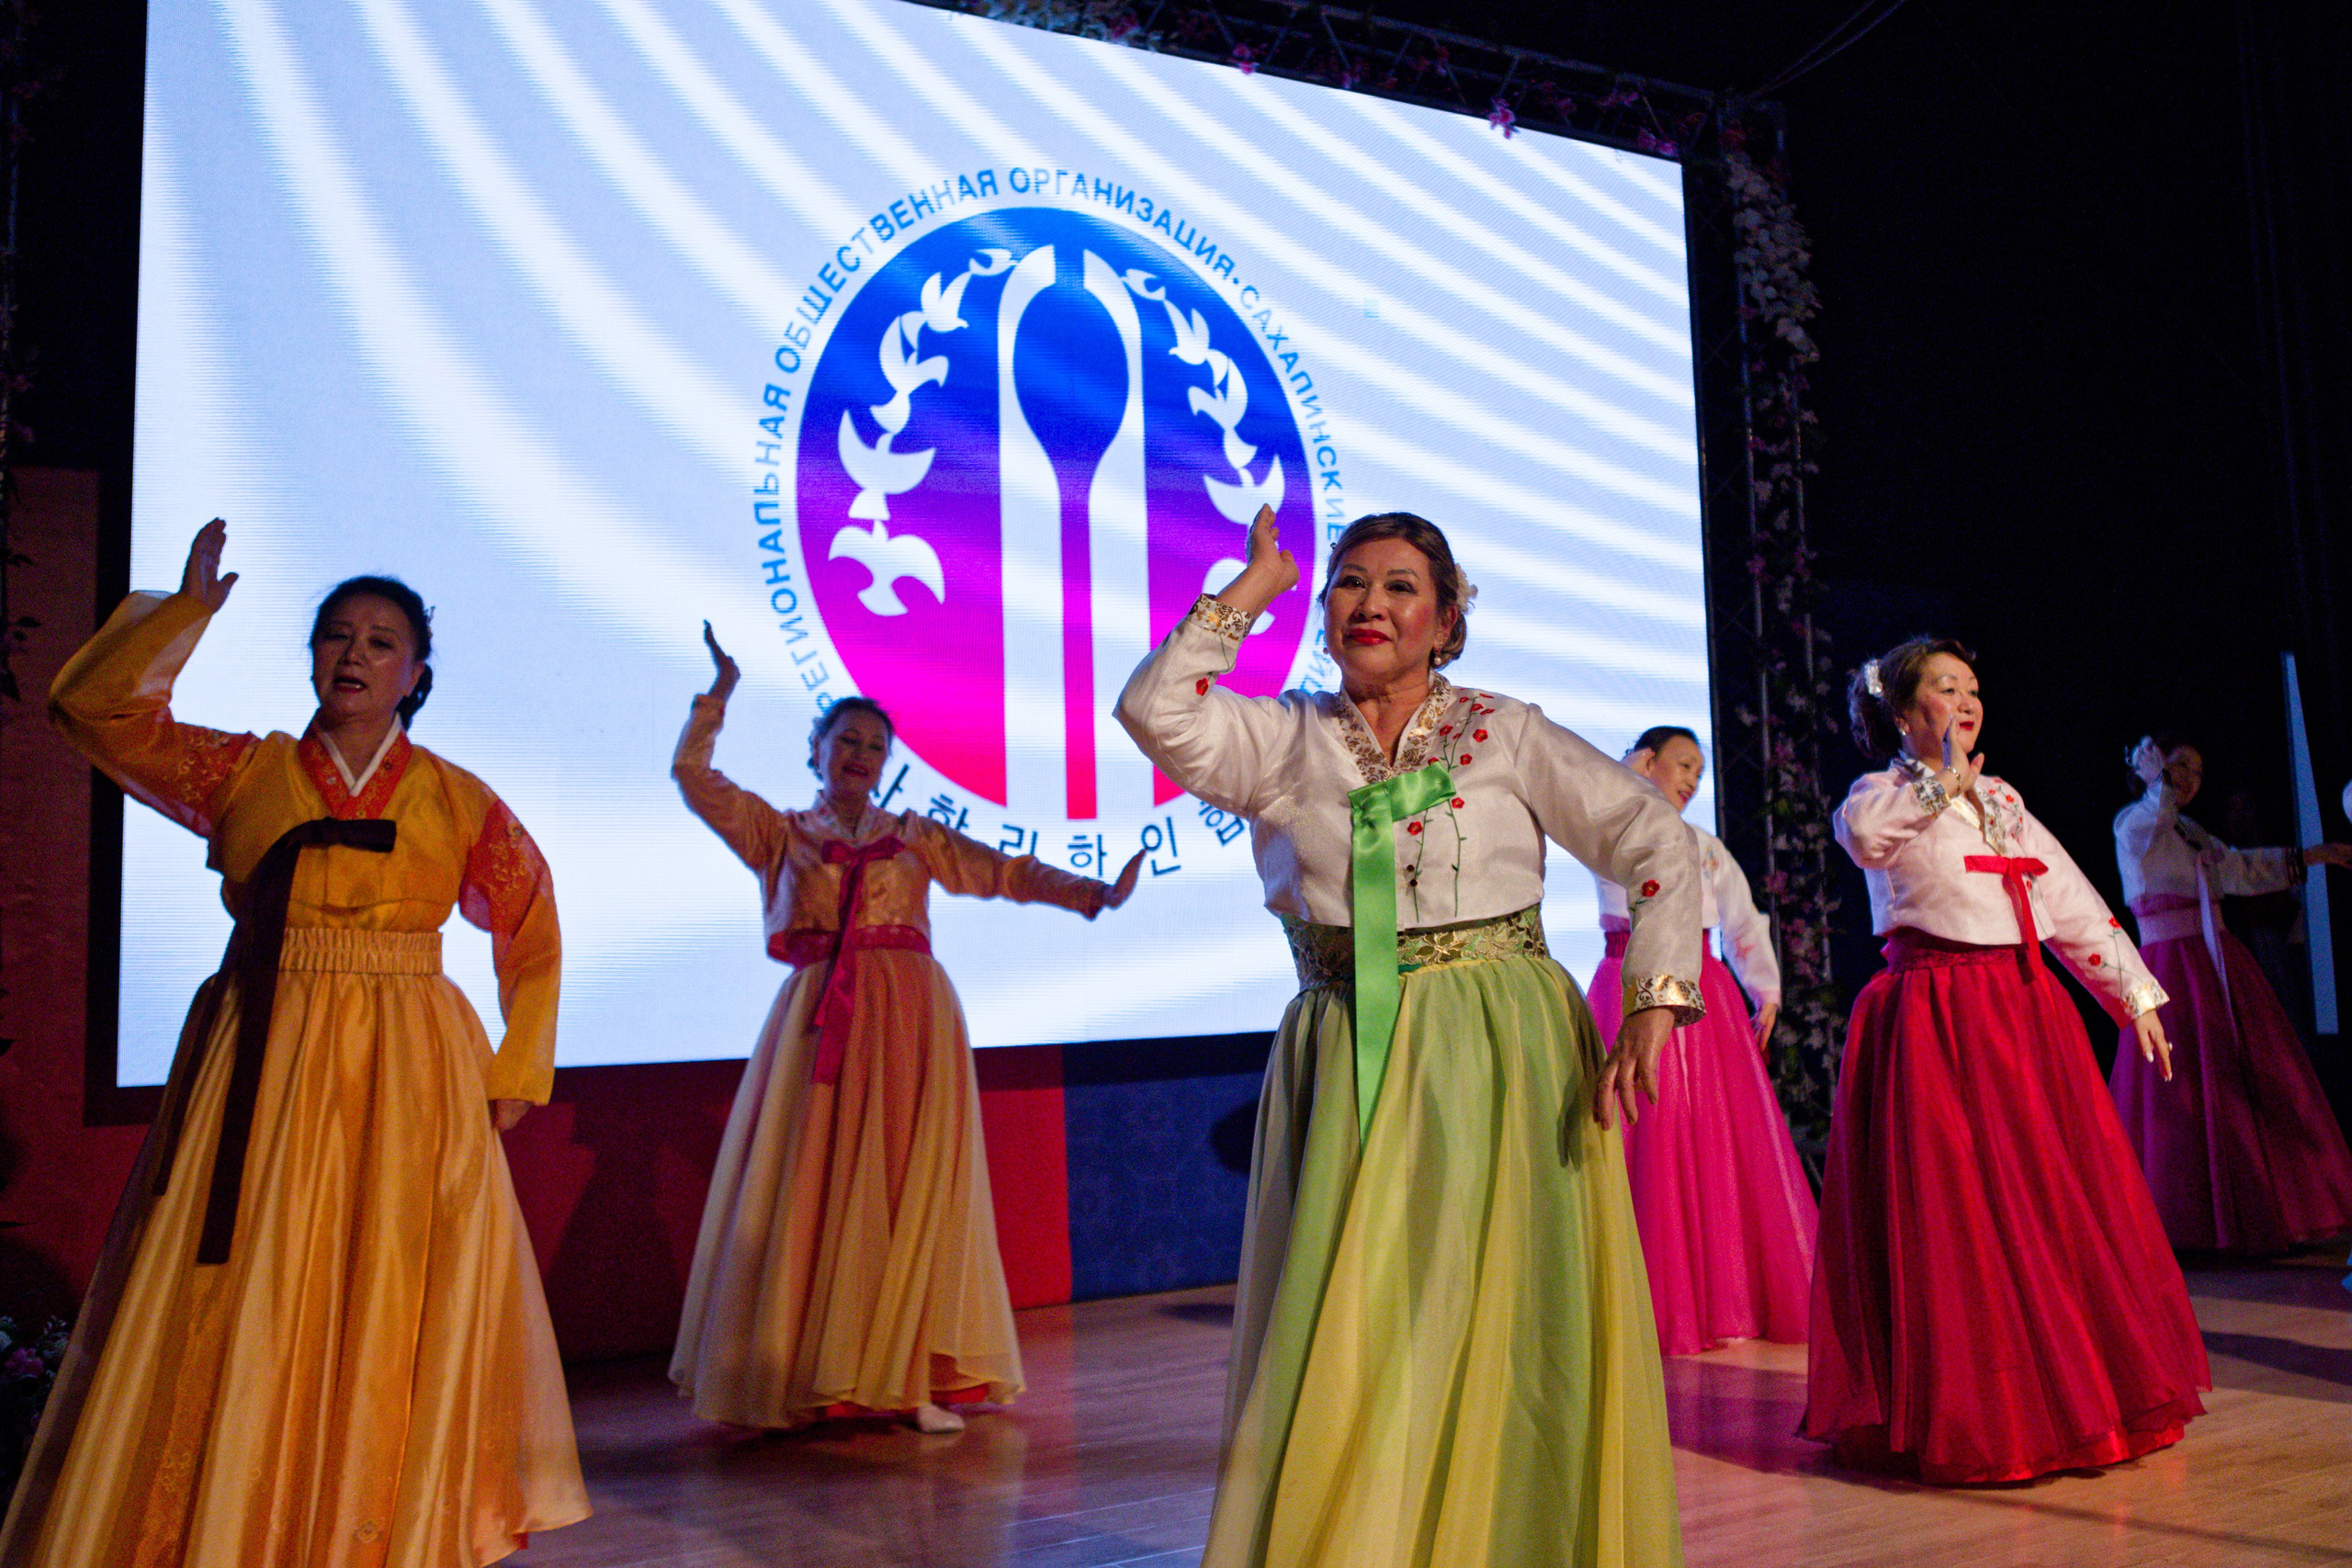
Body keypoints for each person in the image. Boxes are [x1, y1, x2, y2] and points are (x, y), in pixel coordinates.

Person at [1117, 507, 1702, 1568]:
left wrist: (1655, 993)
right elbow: (1154, 709)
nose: (1370, 603)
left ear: (1444, 621)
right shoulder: (1283, 738)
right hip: (1346, 1047)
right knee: (1362, 1308)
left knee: (1502, 1312)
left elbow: (1650, 835)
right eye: (1348, 583)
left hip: (1501, 1046)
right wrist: (1252, 589)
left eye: (1399, 586)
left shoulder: (1506, 729)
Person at [0, 519, 587, 1568]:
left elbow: (532, 922)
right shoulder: (245, 771)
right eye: (337, 636)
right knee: (253, 1273)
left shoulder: (455, 797)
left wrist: (517, 1067)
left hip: (407, 1058)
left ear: (415, 673)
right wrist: (182, 616)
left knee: (392, 1279)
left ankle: (375, 1518)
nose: (354, 655)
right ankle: (239, 1509)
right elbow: (88, 709)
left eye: (380, 641)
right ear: (312, 655)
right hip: (268, 1038)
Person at [668, 626, 1141, 1434]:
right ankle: (802, 1366)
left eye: (874, 746)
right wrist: (719, 691)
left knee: (904, 1185)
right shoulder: (781, 833)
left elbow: (1003, 870)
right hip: (824, 1015)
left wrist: (1091, 892)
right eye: (846, 740)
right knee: (815, 1183)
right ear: (815, 751)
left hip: (913, 1015)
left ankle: (910, 1371)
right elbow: (694, 775)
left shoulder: (915, 835)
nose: (860, 753)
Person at [1804, 637, 2208, 1483]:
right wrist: (1937, 784)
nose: (1966, 700)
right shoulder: (1880, 792)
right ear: (1904, 713)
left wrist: (2132, 994)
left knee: (2052, 1203)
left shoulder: (2003, 799)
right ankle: (1986, 1407)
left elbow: (2066, 898)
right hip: (1938, 1017)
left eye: (1973, 687)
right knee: (1961, 1221)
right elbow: (1868, 839)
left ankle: (2080, 1394)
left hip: (2023, 1014)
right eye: (1945, 688)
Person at [1589, 726, 1815, 1358]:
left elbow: (1743, 920)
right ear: (1647, 761)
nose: (1692, 779)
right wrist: (1625, 778)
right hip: (1628, 980)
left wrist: (1765, 989)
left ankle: (1726, 1298)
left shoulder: (1707, 846)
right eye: (1682, 764)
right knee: (1645, 1130)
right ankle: (1646, 1299)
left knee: (1710, 1137)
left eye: (1699, 770)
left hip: (1704, 991)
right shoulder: (1613, 828)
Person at [2110, 734, 2352, 1252]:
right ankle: (2189, 1220)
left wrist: (2314, 855)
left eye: (2197, 772)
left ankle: (2257, 1211)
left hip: (2214, 956)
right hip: (2171, 966)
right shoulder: (2134, 822)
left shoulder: (2191, 830)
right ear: (2151, 767)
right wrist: (2156, 782)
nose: (2189, 780)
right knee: (2179, 1091)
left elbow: (2239, 869)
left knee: (2241, 1082)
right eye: (2180, 767)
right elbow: (2154, 820)